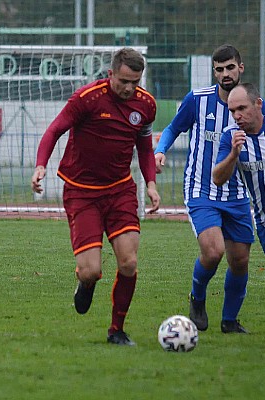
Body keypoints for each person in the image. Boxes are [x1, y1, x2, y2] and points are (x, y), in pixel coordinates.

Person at [31, 47, 160, 346]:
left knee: (128, 262)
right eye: (124, 81)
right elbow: (54, 131)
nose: (129, 88)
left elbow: (143, 147)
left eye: (135, 82)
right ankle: (84, 282)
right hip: (81, 192)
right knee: (91, 271)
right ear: (111, 73)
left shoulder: (146, 105)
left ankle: (117, 329)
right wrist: (40, 165)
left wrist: (151, 184)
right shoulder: (86, 98)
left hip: (120, 190)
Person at [154, 44, 265, 333]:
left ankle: (229, 321)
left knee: (240, 260)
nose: (224, 74)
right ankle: (197, 297)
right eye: (219, 69)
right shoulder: (198, 99)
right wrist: (160, 150)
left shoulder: (256, 105)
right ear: (214, 72)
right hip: (201, 189)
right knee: (212, 251)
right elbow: (173, 128)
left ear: (240, 68)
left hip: (238, 195)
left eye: (230, 67)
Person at [213, 83, 265, 296]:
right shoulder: (230, 138)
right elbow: (217, 178)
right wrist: (233, 154)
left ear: (258, 104)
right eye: (232, 111)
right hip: (264, 220)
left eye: (241, 109)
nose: (236, 116)